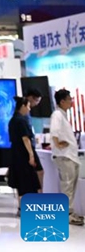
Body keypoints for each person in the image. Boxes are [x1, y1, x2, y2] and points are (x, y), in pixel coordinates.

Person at [50, 89, 84, 226]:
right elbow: (54, 131)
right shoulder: (57, 114)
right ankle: (67, 214)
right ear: (62, 101)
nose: (71, 102)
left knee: (71, 186)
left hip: (70, 156)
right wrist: (58, 144)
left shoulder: (63, 115)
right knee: (67, 186)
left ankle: (69, 212)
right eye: (69, 99)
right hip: (64, 156)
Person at [8, 96, 41, 217]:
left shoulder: (13, 120)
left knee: (20, 182)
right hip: (23, 154)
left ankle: (21, 207)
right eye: (28, 106)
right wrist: (31, 155)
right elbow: (25, 139)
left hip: (15, 153)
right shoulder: (21, 121)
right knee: (27, 181)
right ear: (22, 106)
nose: (29, 109)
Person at [23, 88, 44, 190]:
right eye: (37, 101)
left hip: (30, 146)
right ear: (30, 98)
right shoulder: (23, 113)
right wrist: (31, 153)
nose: (37, 104)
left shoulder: (27, 112)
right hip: (27, 147)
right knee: (38, 172)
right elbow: (25, 136)